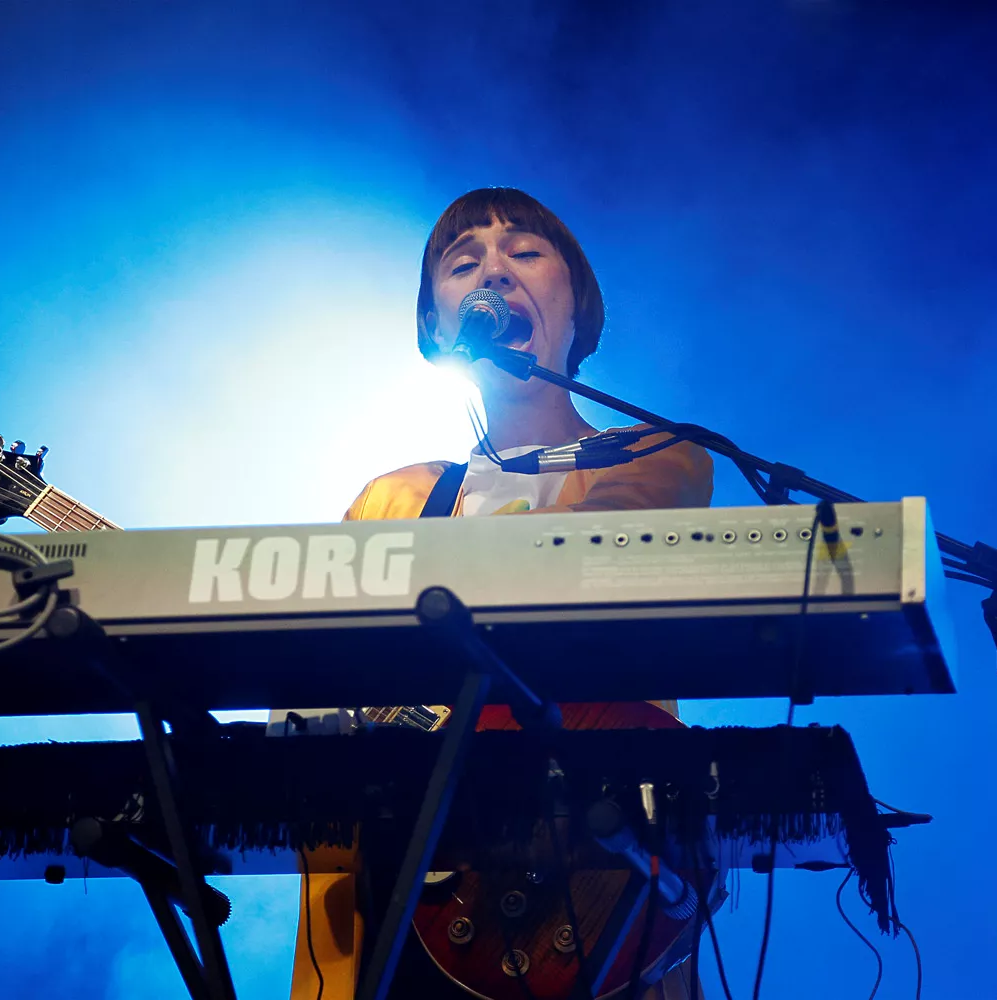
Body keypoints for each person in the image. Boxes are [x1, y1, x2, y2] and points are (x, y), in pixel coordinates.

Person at [287, 187, 714, 1000]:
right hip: (411, 889)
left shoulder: (655, 456)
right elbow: (320, 659)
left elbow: (587, 582)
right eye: (462, 263)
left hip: (584, 872)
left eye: (524, 252)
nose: (493, 271)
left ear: (577, 305)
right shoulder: (395, 496)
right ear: (438, 327)